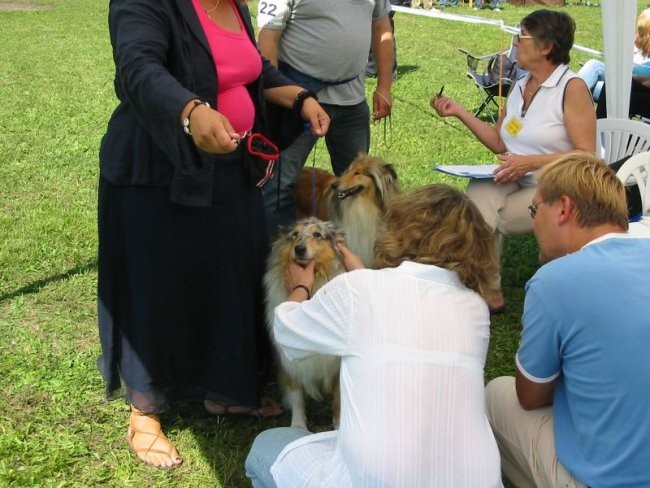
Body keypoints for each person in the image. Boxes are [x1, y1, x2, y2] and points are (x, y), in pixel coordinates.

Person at [98, 0, 330, 469]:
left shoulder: (235, 8)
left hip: (227, 172)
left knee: (230, 277)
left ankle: (223, 389)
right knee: (156, 288)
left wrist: (300, 97)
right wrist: (189, 112)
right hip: (157, 174)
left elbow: (254, 71)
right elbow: (138, 69)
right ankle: (144, 411)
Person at [245, 184, 503, 487]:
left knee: (269, 444)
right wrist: (363, 277)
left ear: (401, 227)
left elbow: (287, 331)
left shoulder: (361, 290)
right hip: (474, 480)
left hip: (375, 480)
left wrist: (300, 287)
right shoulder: (475, 309)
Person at [485, 153, 650, 487]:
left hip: (610, 479)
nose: (534, 223)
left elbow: (530, 396)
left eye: (535, 209)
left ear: (563, 208)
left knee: (495, 394)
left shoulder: (554, 280)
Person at [430, 9, 595, 311]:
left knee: (495, 217)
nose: (514, 42)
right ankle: (486, 291)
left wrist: (530, 162)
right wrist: (459, 111)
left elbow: (587, 155)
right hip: (517, 177)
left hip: (561, 186)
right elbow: (499, 141)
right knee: (477, 195)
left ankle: (472, 284)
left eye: (522, 36)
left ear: (546, 47)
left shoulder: (572, 89)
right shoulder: (520, 85)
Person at [257, 0, 394, 234]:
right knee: (278, 188)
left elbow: (382, 27)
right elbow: (268, 37)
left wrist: (384, 85)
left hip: (351, 101)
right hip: (295, 102)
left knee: (360, 189)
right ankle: (274, 260)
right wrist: (278, 93)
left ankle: (349, 260)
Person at [578, 8, 650, 102]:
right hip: (622, 82)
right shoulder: (640, 47)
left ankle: (563, 98)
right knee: (595, 83)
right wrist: (631, 49)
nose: (638, 35)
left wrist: (629, 77)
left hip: (634, 91)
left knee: (594, 67)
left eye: (641, 33)